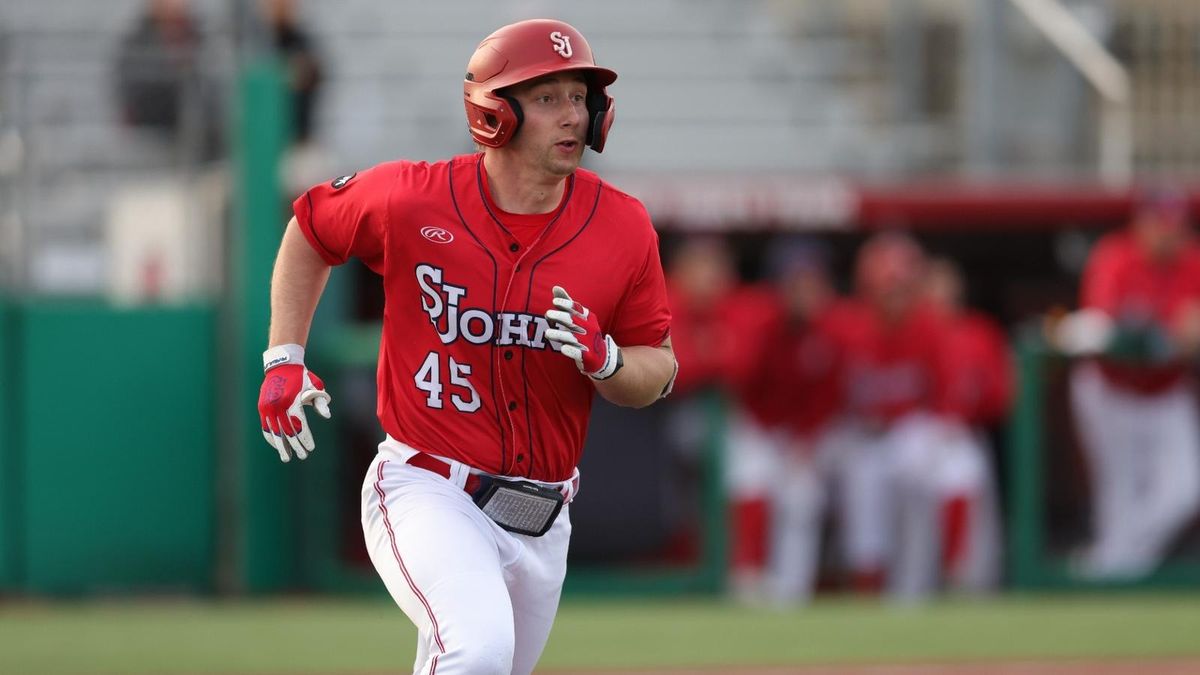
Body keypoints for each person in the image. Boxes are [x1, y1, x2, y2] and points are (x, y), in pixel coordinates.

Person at [256, 19, 677, 675]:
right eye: (547, 98)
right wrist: (283, 356)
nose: (572, 115)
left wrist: (609, 361)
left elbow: (660, 366)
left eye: (579, 96)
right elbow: (310, 230)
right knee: (476, 650)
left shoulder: (622, 224)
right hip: (429, 487)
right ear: (493, 114)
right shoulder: (412, 196)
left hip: (544, 514)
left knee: (477, 662)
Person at [1068, 189, 1200, 579]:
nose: (1167, 235)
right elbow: (1106, 322)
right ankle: (1116, 567)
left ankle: (1112, 563)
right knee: (1119, 494)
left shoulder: (1192, 262)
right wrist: (1170, 326)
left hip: (1165, 391)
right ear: (1141, 224)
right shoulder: (1116, 256)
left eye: (1175, 227)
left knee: (1187, 489)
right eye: (1159, 225)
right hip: (1111, 389)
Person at [923, 257, 1010, 592]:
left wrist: (971, 405)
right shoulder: (915, 330)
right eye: (934, 286)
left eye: (948, 284)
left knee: (970, 488)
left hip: (967, 433)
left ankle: (967, 581)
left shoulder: (979, 330)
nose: (942, 293)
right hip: (922, 433)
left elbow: (1001, 394)